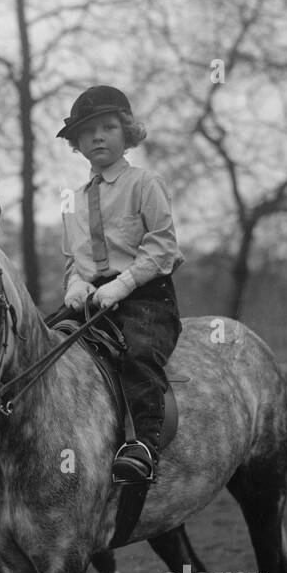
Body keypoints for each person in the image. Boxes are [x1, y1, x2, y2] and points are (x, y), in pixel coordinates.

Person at [57, 85, 183, 524]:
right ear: (77, 143)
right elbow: (73, 259)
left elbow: (162, 248)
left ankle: (143, 445)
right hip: (91, 302)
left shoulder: (144, 184)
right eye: (87, 131)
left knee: (138, 354)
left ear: (127, 133)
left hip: (145, 299)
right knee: (42, 347)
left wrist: (122, 284)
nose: (98, 137)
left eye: (108, 127)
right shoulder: (71, 200)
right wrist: (75, 285)